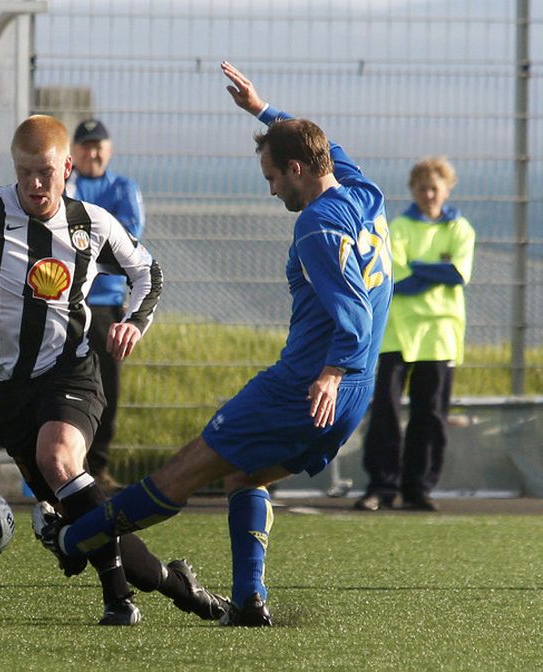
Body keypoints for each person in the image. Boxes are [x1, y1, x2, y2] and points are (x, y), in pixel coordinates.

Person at [47, 62, 393, 627]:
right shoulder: (362, 191)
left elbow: (351, 310)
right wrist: (263, 112)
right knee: (244, 477)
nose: (272, 188)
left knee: (183, 470)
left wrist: (329, 371)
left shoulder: (316, 226)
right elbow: (324, 144)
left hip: (307, 385)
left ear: (299, 169)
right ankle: (250, 600)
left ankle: (71, 537)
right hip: (355, 392)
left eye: (274, 178)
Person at [0, 114, 227, 626]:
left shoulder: (91, 223)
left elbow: (147, 271)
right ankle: (167, 588)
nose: (35, 185)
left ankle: (121, 599)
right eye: (24, 174)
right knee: (76, 516)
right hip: (7, 389)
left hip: (72, 372)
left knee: (59, 458)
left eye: (45, 173)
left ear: (68, 167)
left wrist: (134, 321)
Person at [354, 157, 475, 512]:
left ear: (447, 189)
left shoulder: (460, 229)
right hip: (397, 331)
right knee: (386, 412)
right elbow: (398, 278)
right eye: (422, 188)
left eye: (434, 188)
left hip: (440, 333)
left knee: (431, 413)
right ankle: (382, 486)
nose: (428, 194)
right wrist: (435, 270)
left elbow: (458, 273)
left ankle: (418, 488)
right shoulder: (399, 227)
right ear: (413, 190)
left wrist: (426, 270)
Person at [66, 118, 145, 493]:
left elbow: (126, 238)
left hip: (104, 303)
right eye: (85, 146)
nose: (93, 152)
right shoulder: (65, 185)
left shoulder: (123, 187)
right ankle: (65, 464)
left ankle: (96, 466)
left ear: (109, 150)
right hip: (64, 302)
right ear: (73, 152)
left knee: (106, 386)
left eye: (99, 145)